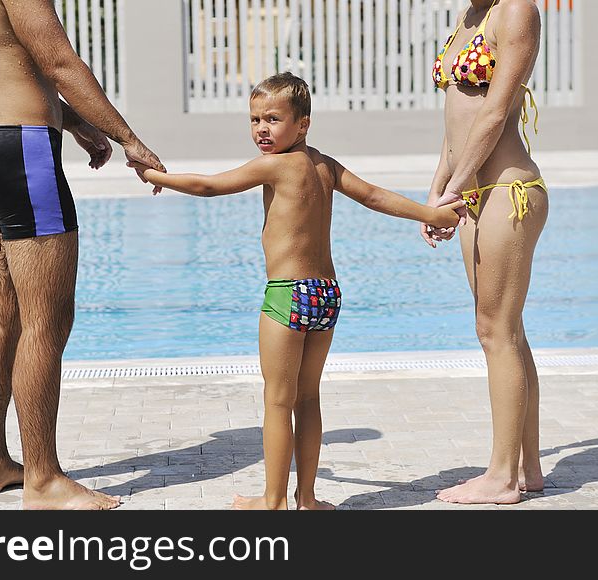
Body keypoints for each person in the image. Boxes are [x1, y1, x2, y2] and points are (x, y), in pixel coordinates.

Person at [132, 72, 465, 510]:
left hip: (289, 293)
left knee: (277, 400)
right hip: (326, 294)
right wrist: (431, 214)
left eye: (273, 119)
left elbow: (209, 186)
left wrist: (158, 175)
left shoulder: (275, 166)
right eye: (254, 120)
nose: (261, 130)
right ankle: (307, 498)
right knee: (307, 398)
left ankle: (272, 503)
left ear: (303, 123)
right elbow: (374, 196)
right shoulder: (324, 166)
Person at [0, 0, 164, 510]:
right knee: (46, 321)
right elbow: (59, 63)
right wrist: (129, 139)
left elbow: (14, 65)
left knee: (3, 316)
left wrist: (73, 123)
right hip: (23, 154)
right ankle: (44, 480)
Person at [424, 0, 548, 504]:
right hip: (473, 192)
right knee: (507, 330)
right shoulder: (468, 18)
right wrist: (438, 191)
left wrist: (456, 186)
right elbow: (456, 121)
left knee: (494, 329)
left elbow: (495, 112)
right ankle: (528, 468)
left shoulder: (517, 10)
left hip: (507, 190)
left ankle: (500, 477)